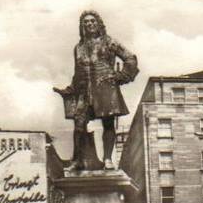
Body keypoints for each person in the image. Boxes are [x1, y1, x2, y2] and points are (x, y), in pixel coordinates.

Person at [54, 10, 139, 170]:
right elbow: (78, 72)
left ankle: (107, 159)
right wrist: (70, 90)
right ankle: (77, 160)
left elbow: (130, 58)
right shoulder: (78, 48)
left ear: (98, 23)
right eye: (85, 22)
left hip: (105, 87)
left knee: (108, 123)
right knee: (79, 123)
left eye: (92, 21)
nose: (89, 24)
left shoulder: (109, 42)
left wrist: (120, 76)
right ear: (82, 26)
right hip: (85, 91)